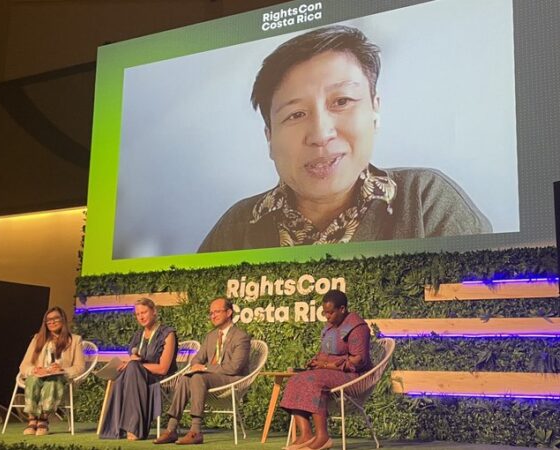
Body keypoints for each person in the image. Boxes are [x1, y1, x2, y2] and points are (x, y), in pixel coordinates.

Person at [198, 25, 491, 253]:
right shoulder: (237, 227)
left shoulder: (426, 201)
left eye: (342, 101)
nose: (321, 134)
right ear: (269, 138)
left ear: (375, 110)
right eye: (296, 114)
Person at [280, 290, 372, 450]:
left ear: (342, 309)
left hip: (353, 376)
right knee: (295, 379)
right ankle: (306, 434)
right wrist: (317, 361)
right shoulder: (330, 327)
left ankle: (323, 437)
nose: (327, 316)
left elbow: (358, 361)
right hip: (331, 374)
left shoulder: (357, 327)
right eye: (325, 313)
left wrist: (326, 365)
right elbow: (325, 353)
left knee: (313, 380)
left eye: (330, 312)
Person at [153, 297, 251, 445]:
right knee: (187, 377)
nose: (213, 316)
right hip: (211, 378)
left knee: (198, 377)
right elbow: (196, 360)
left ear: (229, 312)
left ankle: (196, 431)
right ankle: (171, 429)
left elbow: (234, 367)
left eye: (217, 312)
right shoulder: (211, 336)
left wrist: (204, 368)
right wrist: (197, 366)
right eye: (211, 313)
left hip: (232, 379)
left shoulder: (241, 337)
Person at [100, 297, 178, 440]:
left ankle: (133, 428)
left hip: (160, 378)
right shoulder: (138, 336)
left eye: (144, 312)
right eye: (138, 314)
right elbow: (134, 360)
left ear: (154, 312)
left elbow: (163, 368)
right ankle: (127, 427)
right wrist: (129, 363)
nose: (141, 317)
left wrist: (134, 364)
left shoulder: (167, 333)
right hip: (137, 377)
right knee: (129, 370)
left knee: (133, 368)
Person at [19, 306, 85, 436]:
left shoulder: (75, 340)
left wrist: (62, 370)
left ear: (63, 320)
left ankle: (43, 419)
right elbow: (24, 365)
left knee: (52, 381)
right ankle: (32, 419)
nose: (52, 322)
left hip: (60, 378)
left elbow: (80, 367)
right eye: (48, 320)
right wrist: (34, 369)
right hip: (39, 376)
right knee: (32, 380)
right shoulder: (38, 339)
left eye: (55, 319)